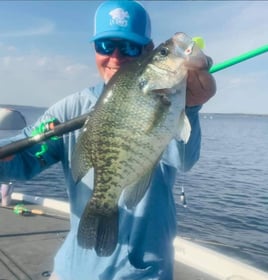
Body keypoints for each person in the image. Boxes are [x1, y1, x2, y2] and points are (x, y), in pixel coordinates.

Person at [0, 1, 216, 279]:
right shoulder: (70, 109)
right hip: (75, 270)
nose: (115, 57)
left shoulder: (173, 97)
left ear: (147, 51)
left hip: (145, 271)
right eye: (105, 46)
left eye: (128, 47)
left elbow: (183, 159)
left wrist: (190, 107)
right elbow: (25, 155)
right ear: (94, 49)